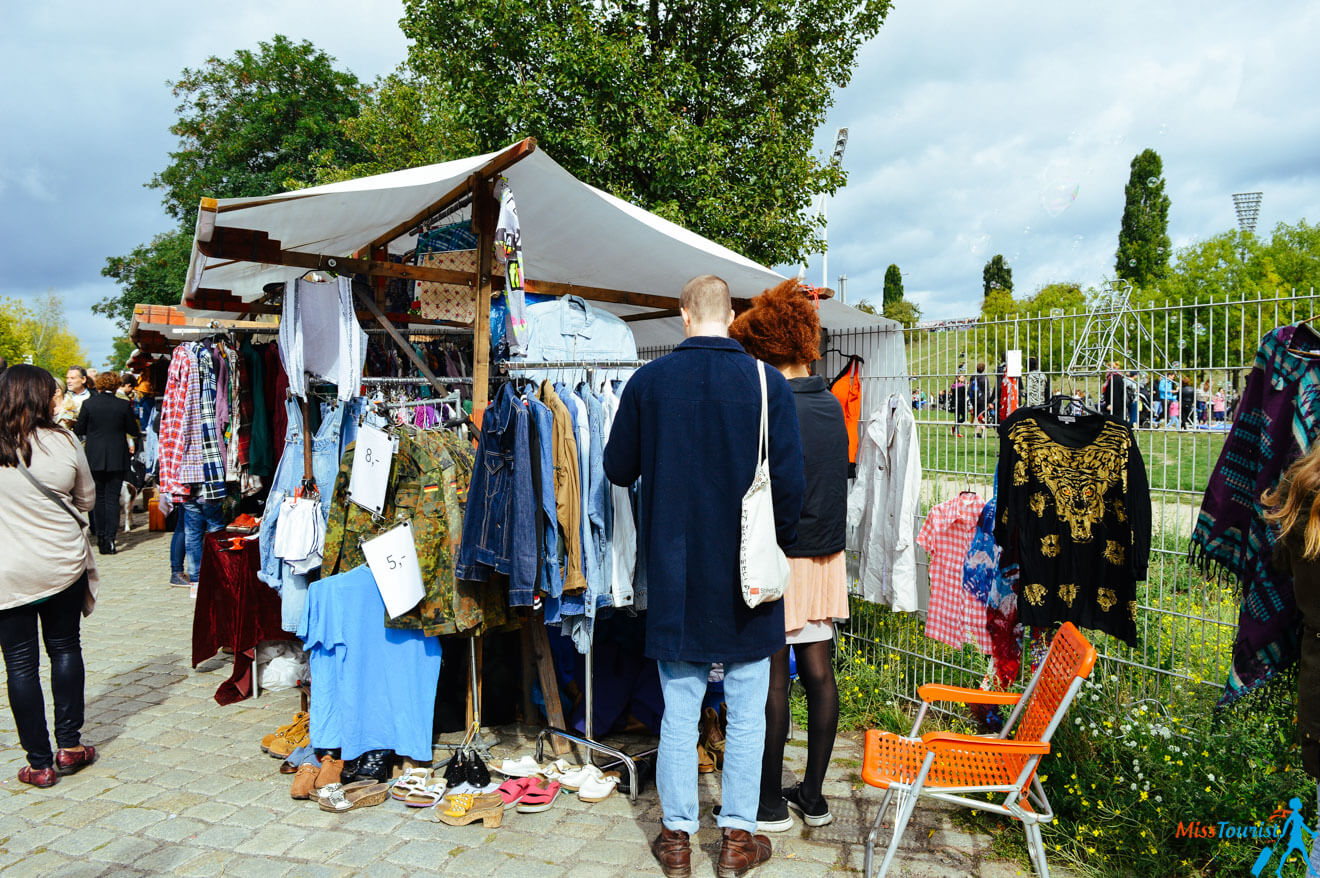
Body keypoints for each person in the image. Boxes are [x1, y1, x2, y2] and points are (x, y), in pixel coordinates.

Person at [604, 274, 805, 878]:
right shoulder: (768, 384)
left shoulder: (650, 381)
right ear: (732, 314)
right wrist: (781, 544)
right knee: (747, 711)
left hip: (676, 572)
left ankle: (676, 843)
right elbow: (792, 488)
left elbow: (616, 468)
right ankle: (738, 842)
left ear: (685, 317)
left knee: (679, 709)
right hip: (748, 575)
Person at [730, 281, 849, 831]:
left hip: (785, 554)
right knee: (820, 673)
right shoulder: (829, 403)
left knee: (773, 675)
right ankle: (816, 796)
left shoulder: (773, 407)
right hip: (828, 555)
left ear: (767, 349)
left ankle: (769, 802)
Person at [0, 365, 99, 788]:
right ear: (43, 397)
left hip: (8, 571)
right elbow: (88, 499)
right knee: (64, 648)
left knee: (20, 665)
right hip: (61, 563)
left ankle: (38, 763)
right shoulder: (62, 440)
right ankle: (70, 746)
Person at [75, 371, 141, 555]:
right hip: (116, 455)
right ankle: (111, 539)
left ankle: (101, 537)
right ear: (116, 385)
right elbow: (133, 430)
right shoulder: (122, 405)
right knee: (112, 498)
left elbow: (80, 428)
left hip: (94, 455)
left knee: (99, 497)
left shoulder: (89, 404)